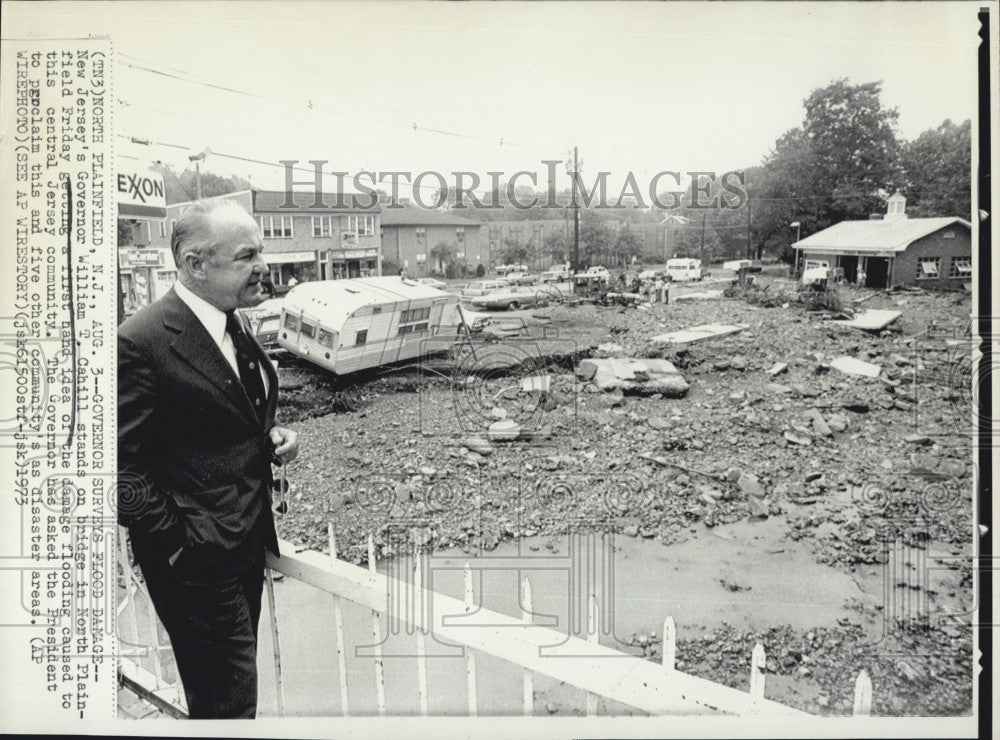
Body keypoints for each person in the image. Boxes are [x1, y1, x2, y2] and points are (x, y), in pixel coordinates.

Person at [118, 200, 299, 719]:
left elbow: (229, 418)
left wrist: (274, 436)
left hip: (242, 544)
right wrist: (182, 540)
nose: (262, 266)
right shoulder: (141, 342)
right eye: (246, 256)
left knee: (229, 700)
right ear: (196, 265)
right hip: (196, 564)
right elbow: (116, 469)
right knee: (228, 706)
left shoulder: (230, 321)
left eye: (261, 251)